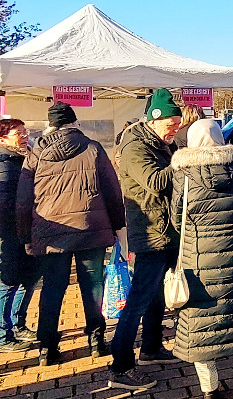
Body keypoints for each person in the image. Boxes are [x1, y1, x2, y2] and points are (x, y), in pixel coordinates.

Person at [16, 103, 126, 367]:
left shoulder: (36, 154)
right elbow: (112, 191)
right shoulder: (93, 148)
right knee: (93, 285)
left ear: (51, 125)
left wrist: (25, 236)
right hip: (91, 227)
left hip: (50, 232)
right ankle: (97, 340)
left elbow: (23, 199)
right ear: (74, 122)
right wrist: (118, 225)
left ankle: (47, 347)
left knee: (53, 287)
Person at [170, 120, 233, 399]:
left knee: (202, 325)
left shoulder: (184, 173)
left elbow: (178, 219)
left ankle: (210, 390)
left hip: (197, 261)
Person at [110, 89, 183, 389]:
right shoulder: (134, 146)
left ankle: (151, 347)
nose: (175, 131)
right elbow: (155, 182)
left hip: (167, 230)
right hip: (150, 233)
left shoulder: (163, 142)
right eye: (171, 126)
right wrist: (183, 163)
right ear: (154, 120)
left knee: (155, 296)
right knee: (140, 298)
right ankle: (121, 365)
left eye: (177, 126)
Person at [0, 119, 37, 352]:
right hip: (9, 232)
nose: (24, 136)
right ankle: (3, 335)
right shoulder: (3, 163)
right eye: (18, 133)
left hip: (28, 229)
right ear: (2, 139)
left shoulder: (24, 158)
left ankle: (19, 323)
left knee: (28, 279)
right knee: (8, 282)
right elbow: (5, 204)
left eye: (25, 132)